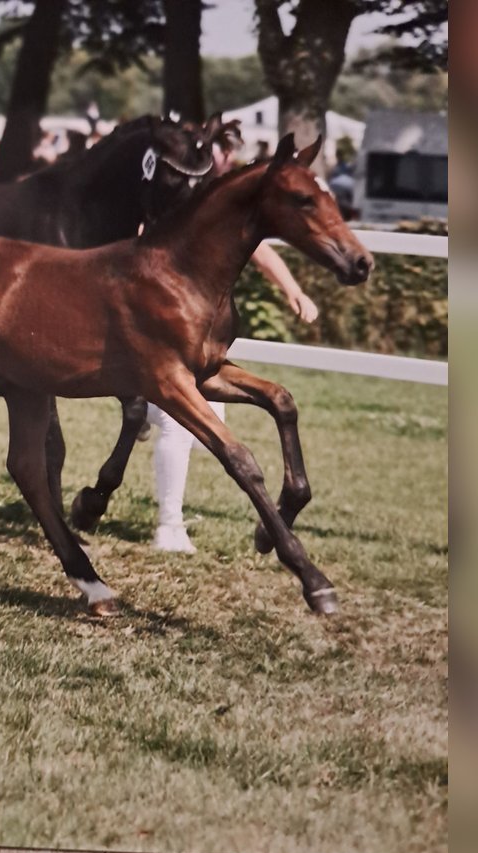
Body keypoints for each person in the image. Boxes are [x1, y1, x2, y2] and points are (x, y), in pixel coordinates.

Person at [147, 127, 320, 553]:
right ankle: (168, 526)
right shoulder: (172, 203)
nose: (231, 160)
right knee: (177, 426)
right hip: (158, 335)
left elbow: (261, 251)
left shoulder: (222, 208)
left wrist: (293, 290)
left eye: (231, 153)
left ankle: (136, 420)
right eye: (226, 152)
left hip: (200, 341)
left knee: (208, 431)